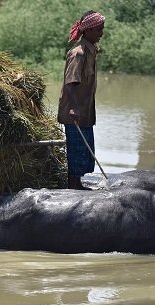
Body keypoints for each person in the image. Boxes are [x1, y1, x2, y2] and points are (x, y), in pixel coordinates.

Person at [57, 10, 105, 190]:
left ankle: (77, 185)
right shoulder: (78, 53)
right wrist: (74, 108)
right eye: (99, 30)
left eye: (102, 29)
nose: (101, 33)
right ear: (88, 30)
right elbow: (70, 84)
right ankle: (73, 187)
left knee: (86, 153)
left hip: (85, 112)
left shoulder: (91, 51)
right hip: (74, 113)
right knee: (77, 152)